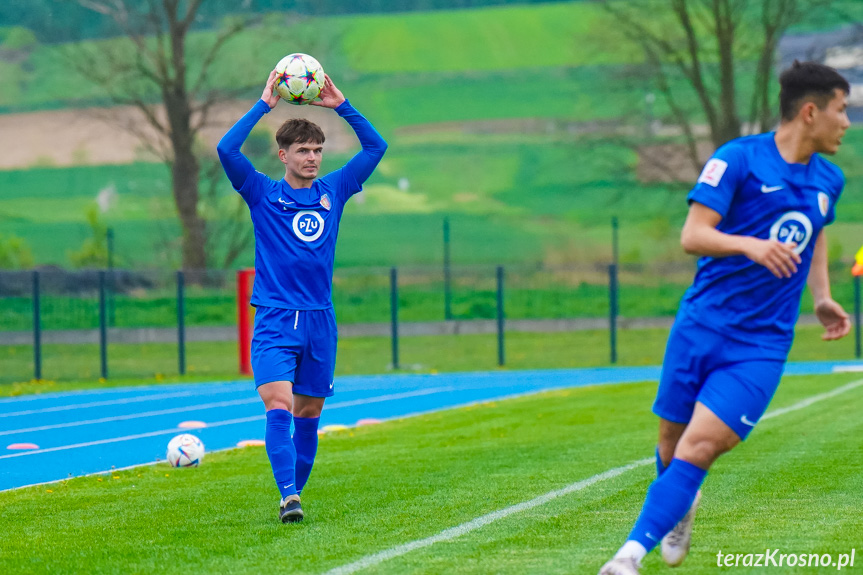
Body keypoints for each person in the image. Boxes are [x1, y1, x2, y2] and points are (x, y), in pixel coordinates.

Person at [599, 60, 851, 574]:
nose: (847, 122)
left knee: (699, 445)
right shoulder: (738, 160)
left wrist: (820, 296)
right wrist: (751, 247)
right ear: (810, 112)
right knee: (670, 443)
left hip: (761, 346)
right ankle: (679, 506)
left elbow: (817, 230)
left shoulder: (831, 179)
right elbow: (693, 235)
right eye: (842, 110)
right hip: (702, 325)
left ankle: (627, 557)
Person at [217, 68, 387, 523]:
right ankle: (289, 495)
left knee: (309, 414)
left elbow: (377, 148)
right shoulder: (261, 193)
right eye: (303, 151)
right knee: (279, 403)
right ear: (283, 154)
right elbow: (225, 149)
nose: (312, 158)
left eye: (317, 150)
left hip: (319, 320)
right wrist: (264, 105)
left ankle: (292, 494)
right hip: (275, 317)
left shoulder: (335, 189)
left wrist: (340, 105)